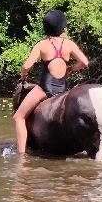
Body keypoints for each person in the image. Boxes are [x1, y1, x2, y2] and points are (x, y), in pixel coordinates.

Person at [12, 9, 89, 155]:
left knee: (19, 117)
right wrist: (71, 68)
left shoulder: (41, 45)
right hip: (62, 90)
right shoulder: (69, 44)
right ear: (61, 27)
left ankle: (21, 155)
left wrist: (23, 77)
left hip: (44, 89)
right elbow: (84, 62)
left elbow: (26, 66)